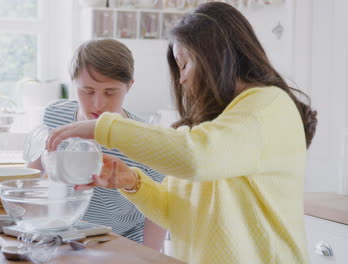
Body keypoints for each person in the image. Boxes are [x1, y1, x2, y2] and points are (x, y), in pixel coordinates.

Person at [46, 2, 318, 263]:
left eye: (184, 64)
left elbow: (198, 157)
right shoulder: (211, 126)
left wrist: (102, 128)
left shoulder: (267, 106)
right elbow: (176, 213)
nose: (182, 78)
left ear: (215, 58)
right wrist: (131, 181)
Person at [27, 39, 166, 250]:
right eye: (87, 91)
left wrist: (150, 258)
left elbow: (158, 210)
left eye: (110, 92)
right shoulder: (54, 115)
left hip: (121, 244)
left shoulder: (145, 138)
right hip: (63, 238)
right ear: (73, 84)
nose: (98, 104)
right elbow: (31, 181)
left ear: (129, 86)